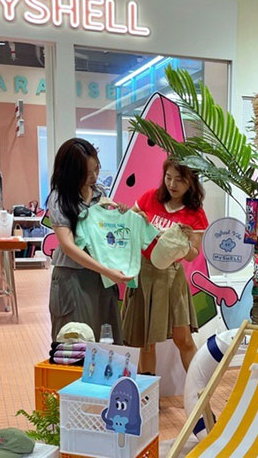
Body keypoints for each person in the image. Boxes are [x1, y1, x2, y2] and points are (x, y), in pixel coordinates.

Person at [122, 157, 208, 374]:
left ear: (191, 181)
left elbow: (192, 255)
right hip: (145, 273)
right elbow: (127, 225)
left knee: (184, 339)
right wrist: (137, 218)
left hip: (172, 277)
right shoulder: (150, 197)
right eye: (168, 177)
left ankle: (200, 388)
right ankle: (149, 393)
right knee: (146, 343)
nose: (172, 184)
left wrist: (185, 243)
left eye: (179, 180)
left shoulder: (196, 213)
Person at [47, 138, 132, 342]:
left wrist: (119, 216)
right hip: (72, 278)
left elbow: (105, 234)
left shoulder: (100, 193)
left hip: (101, 278)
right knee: (74, 342)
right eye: (87, 173)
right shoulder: (59, 198)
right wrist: (107, 271)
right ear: (71, 173)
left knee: (107, 341)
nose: (94, 176)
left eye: (97, 169)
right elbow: (69, 247)